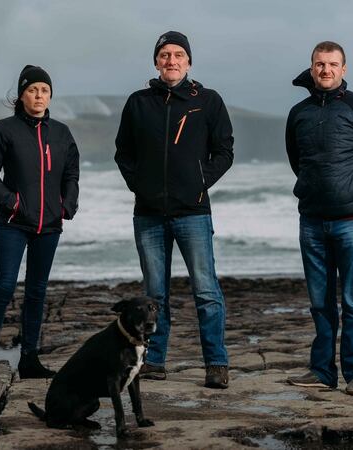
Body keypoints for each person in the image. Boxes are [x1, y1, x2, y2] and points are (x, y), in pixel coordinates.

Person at [114, 31, 234, 389]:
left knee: (206, 289)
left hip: (193, 212)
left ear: (189, 62)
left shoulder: (208, 101)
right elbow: (124, 152)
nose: (171, 60)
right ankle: (155, 360)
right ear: (156, 61)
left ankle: (215, 362)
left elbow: (224, 151)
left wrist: (199, 181)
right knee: (154, 293)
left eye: (178, 54)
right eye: (165, 54)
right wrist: (140, 185)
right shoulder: (138, 102)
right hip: (148, 213)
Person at [285, 41, 353, 397]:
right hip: (312, 221)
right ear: (312, 67)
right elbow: (296, 159)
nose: (326, 70)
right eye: (320, 64)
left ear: (344, 69)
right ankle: (321, 371)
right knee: (319, 301)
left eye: (333, 64)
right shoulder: (298, 113)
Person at [0, 65, 80, 384]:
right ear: (21, 95)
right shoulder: (4, 130)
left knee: (37, 291)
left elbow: (71, 174)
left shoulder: (61, 133)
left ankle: (30, 359)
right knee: (4, 286)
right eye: (32, 90)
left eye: (44, 91)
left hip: (48, 225)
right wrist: (12, 202)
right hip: (12, 223)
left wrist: (67, 205)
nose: (38, 96)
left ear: (50, 96)